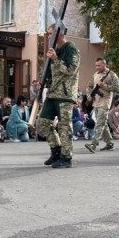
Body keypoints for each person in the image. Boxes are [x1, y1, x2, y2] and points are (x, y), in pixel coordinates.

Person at [36, 25, 80, 168]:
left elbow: (70, 70)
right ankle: (56, 150)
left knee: (64, 126)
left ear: (59, 33)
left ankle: (66, 158)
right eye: (48, 34)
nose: (49, 37)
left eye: (50, 34)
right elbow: (50, 73)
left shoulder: (70, 48)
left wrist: (55, 59)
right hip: (53, 93)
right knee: (42, 124)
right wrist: (42, 83)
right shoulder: (54, 51)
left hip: (65, 94)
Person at [84, 57, 119, 153]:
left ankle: (93, 144)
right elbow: (89, 86)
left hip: (105, 102)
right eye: (96, 65)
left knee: (99, 124)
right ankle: (109, 143)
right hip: (96, 102)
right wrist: (89, 95)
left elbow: (117, 88)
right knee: (103, 124)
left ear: (104, 65)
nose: (97, 67)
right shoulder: (95, 75)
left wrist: (104, 86)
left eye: (99, 65)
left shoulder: (111, 75)